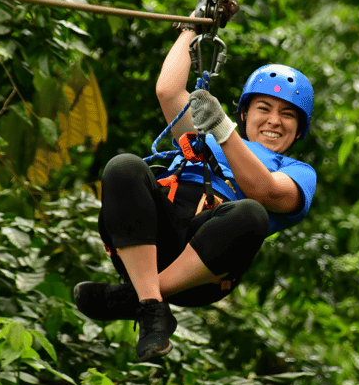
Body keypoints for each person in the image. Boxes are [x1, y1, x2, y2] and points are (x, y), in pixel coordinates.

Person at [74, 22, 316, 362]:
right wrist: (193, 26)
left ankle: (142, 298)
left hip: (206, 264)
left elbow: (265, 192)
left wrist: (223, 130)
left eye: (288, 115)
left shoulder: (298, 172)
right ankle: (149, 302)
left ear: (299, 129)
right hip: (151, 239)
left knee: (250, 213)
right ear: (245, 112)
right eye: (264, 109)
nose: (275, 120)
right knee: (123, 166)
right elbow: (169, 93)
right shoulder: (209, 136)